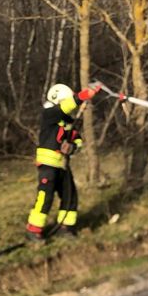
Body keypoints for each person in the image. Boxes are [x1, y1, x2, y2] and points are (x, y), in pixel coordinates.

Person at [25, 82, 102, 241]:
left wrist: (73, 147)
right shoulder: (50, 114)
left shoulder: (68, 122)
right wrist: (84, 95)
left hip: (63, 165)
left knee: (70, 196)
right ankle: (33, 229)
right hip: (48, 165)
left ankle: (65, 228)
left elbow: (78, 140)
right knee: (45, 197)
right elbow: (66, 106)